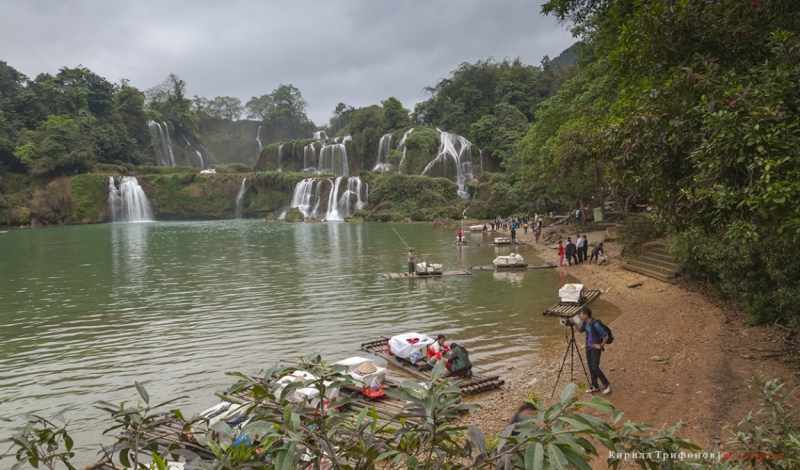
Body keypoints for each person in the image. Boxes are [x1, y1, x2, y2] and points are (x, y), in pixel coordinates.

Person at [578, 307, 611, 395]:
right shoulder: (585, 322)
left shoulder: (595, 324)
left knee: (595, 367)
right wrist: (573, 323)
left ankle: (606, 384)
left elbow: (606, 336)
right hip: (588, 347)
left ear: (585, 315)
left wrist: (600, 345)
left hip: (595, 349)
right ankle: (594, 386)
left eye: (581, 314)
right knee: (590, 367)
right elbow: (580, 330)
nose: (580, 315)